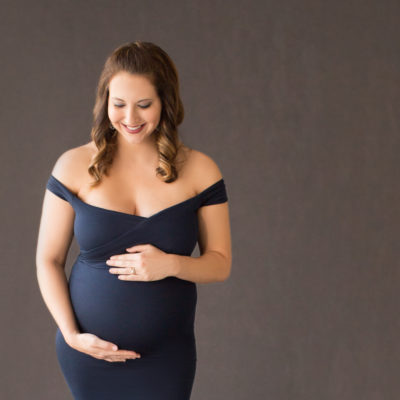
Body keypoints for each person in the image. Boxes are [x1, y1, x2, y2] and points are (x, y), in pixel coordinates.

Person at [35, 41, 232, 399]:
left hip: (167, 357)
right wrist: (71, 334)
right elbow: (48, 260)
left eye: (144, 105)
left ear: (166, 103)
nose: (130, 118)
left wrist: (170, 264)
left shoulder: (201, 170)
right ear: (104, 101)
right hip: (90, 354)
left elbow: (220, 264)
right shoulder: (73, 165)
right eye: (119, 104)